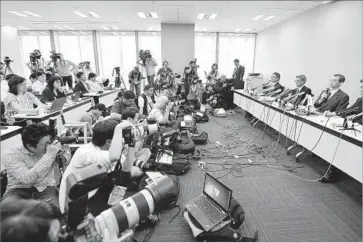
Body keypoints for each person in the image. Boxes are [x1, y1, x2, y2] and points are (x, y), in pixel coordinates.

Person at [59, 119, 143, 213]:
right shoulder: (85, 153)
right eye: (121, 137)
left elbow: (127, 168)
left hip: (95, 197)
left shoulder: (109, 150)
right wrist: (119, 128)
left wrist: (131, 144)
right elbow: (114, 156)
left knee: (123, 176)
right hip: (76, 207)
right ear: (109, 142)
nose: (122, 140)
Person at [1, 123, 71, 209]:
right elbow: (27, 178)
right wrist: (49, 155)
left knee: (54, 211)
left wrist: (65, 156)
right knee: (6, 209)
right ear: (29, 146)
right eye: (45, 143)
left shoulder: (49, 149)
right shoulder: (11, 154)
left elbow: (66, 168)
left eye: (49, 141)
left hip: (45, 187)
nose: (49, 146)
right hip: (18, 190)